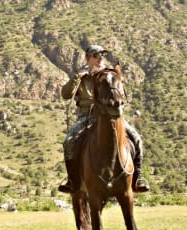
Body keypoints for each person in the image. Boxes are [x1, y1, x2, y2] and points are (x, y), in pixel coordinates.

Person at [58, 44, 150, 193]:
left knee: (136, 138)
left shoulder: (110, 74)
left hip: (110, 115)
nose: (101, 58)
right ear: (88, 58)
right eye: (96, 55)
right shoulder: (80, 75)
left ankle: (137, 179)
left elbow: (122, 95)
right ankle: (72, 181)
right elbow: (65, 94)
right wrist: (77, 77)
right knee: (69, 141)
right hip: (86, 116)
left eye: (102, 55)